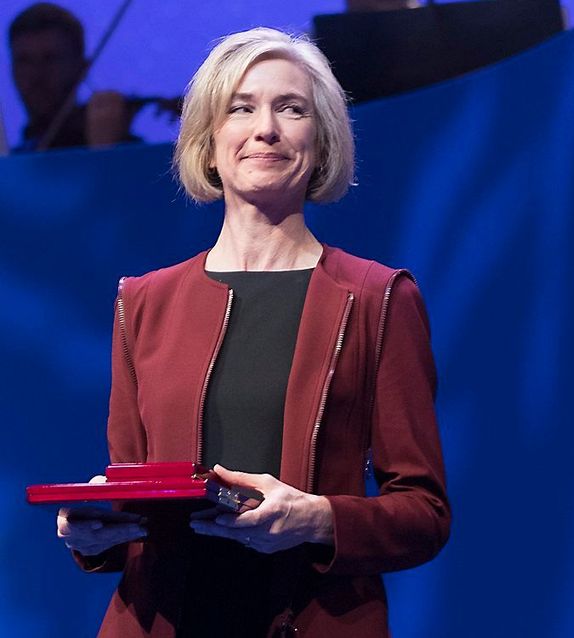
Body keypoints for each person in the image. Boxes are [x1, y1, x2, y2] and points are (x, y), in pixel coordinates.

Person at [55, 27, 451, 636]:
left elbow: (424, 514)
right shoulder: (143, 302)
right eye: (241, 108)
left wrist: (316, 518)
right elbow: (129, 493)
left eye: (289, 109)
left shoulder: (379, 298)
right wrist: (90, 526)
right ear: (209, 145)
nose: (265, 128)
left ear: (319, 145)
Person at [9, 2, 138, 151]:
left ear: (81, 67)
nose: (36, 74)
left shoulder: (129, 150)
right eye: (24, 61)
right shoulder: (15, 157)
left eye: (50, 59)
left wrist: (106, 152)